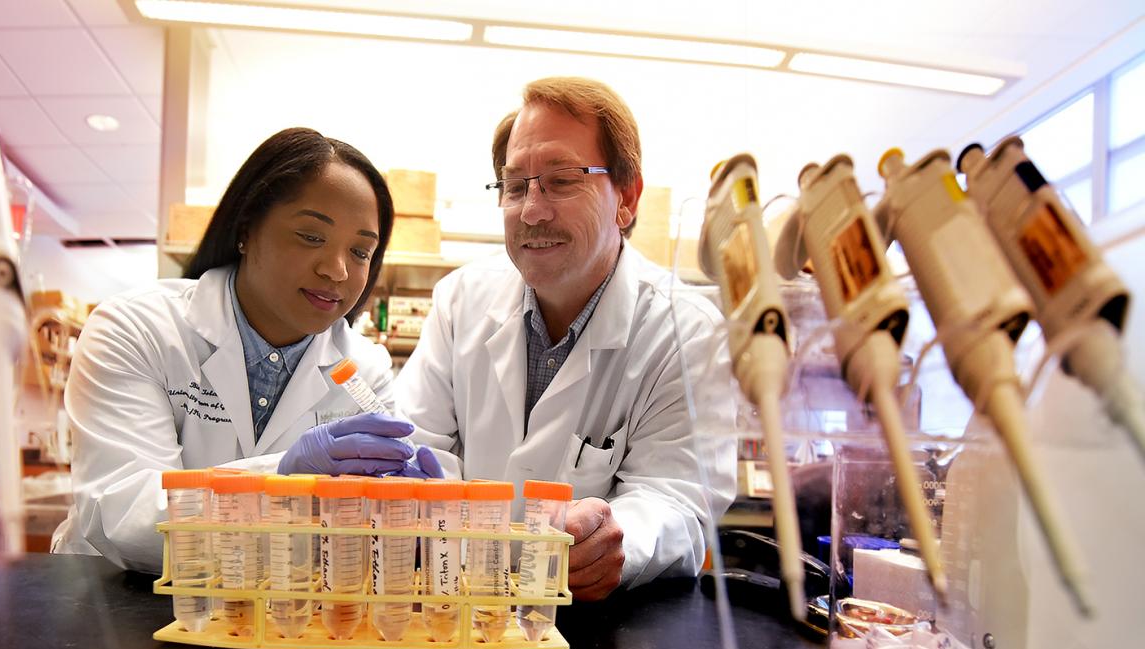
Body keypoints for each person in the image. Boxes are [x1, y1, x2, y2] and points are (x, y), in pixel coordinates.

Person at [396, 77, 736, 601]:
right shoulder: (460, 300)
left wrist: (616, 537)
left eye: (560, 180)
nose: (531, 210)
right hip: (456, 609)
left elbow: (676, 500)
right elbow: (417, 449)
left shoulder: (683, 330)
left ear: (626, 197)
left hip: (599, 635)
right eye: (515, 186)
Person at [55, 127, 438, 572]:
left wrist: (410, 515)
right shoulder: (135, 329)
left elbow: (357, 549)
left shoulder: (363, 370)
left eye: (360, 251)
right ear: (246, 229)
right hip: (118, 608)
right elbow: (124, 520)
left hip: (278, 614)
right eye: (311, 237)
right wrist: (283, 482)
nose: (336, 270)